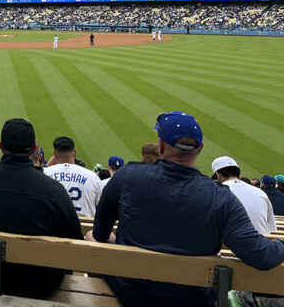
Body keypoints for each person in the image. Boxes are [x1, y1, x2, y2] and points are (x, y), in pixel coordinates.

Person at [92, 111, 284, 306]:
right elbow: (262, 256)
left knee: (90, 235)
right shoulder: (221, 198)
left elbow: (99, 233)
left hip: (131, 295)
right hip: (193, 301)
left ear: (160, 146)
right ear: (200, 148)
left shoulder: (127, 175)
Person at [0, 118, 83, 299]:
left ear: (0, 146)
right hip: (45, 282)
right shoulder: (55, 190)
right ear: (34, 150)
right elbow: (74, 240)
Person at [212, 156, 276, 235]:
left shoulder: (215, 193)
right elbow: (272, 229)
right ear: (240, 175)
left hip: (230, 244)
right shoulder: (260, 192)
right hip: (263, 243)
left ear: (218, 175)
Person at [44, 136, 102, 217]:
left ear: (55, 154)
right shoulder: (93, 177)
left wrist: (46, 166)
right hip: (86, 228)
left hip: (52, 227)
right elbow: (102, 208)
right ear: (75, 153)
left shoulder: (44, 174)